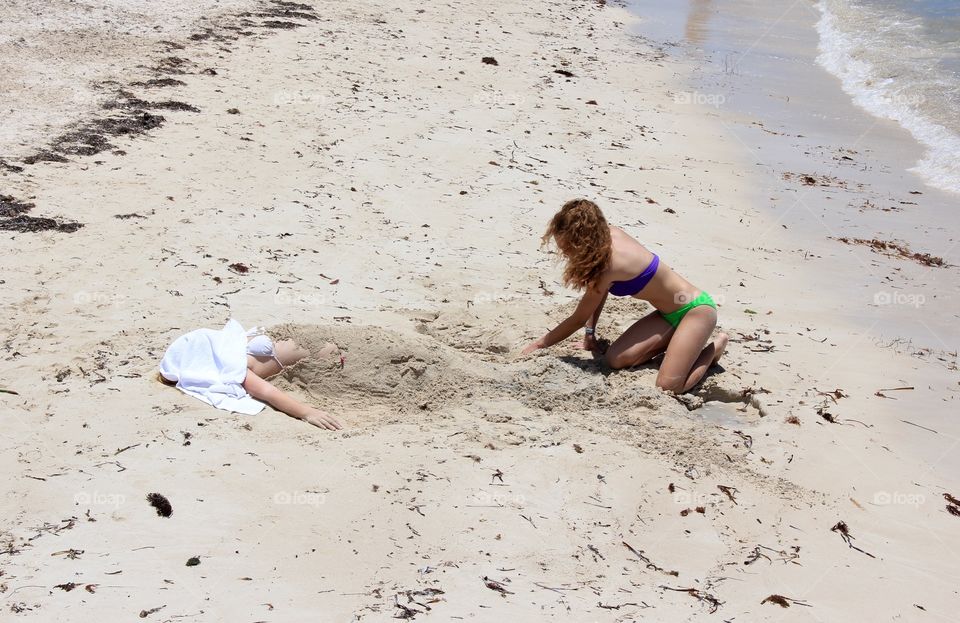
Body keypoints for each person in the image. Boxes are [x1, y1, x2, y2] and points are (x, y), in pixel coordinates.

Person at [522, 199, 728, 394]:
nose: (565, 254)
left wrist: (539, 344)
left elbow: (577, 318)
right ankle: (679, 346)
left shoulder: (608, 265)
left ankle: (714, 349)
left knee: (669, 386)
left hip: (696, 311)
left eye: (567, 248)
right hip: (667, 315)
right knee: (615, 359)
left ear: (582, 240)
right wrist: (590, 334)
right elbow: (598, 294)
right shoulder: (607, 238)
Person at [159, 319, 342, 430]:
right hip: (338, 356)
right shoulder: (235, 370)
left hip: (325, 334)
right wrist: (307, 412)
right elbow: (268, 392)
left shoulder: (232, 343)